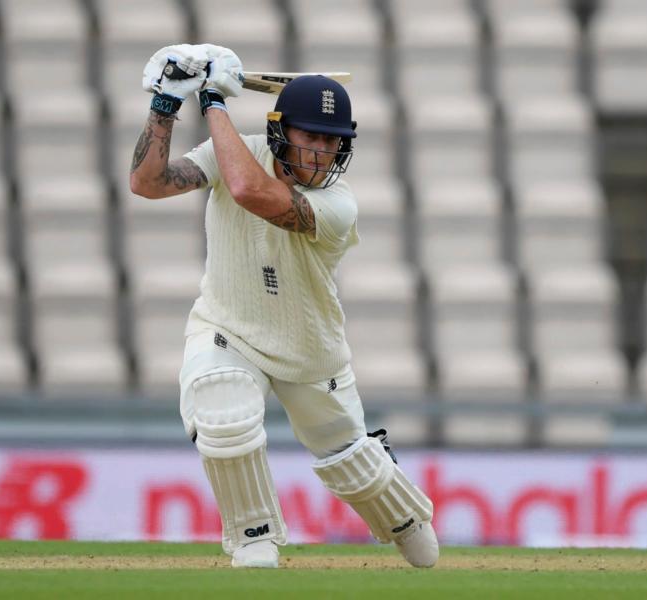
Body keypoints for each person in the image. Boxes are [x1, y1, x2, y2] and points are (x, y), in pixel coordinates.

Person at [130, 44, 438, 569]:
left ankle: (404, 517)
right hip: (229, 327)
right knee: (222, 407)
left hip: (308, 350)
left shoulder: (338, 204)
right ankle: (254, 538)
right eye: (310, 135)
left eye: (332, 140)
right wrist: (163, 105)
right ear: (279, 131)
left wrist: (213, 100)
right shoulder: (231, 150)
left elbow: (250, 190)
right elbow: (147, 183)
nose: (321, 151)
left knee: (355, 468)